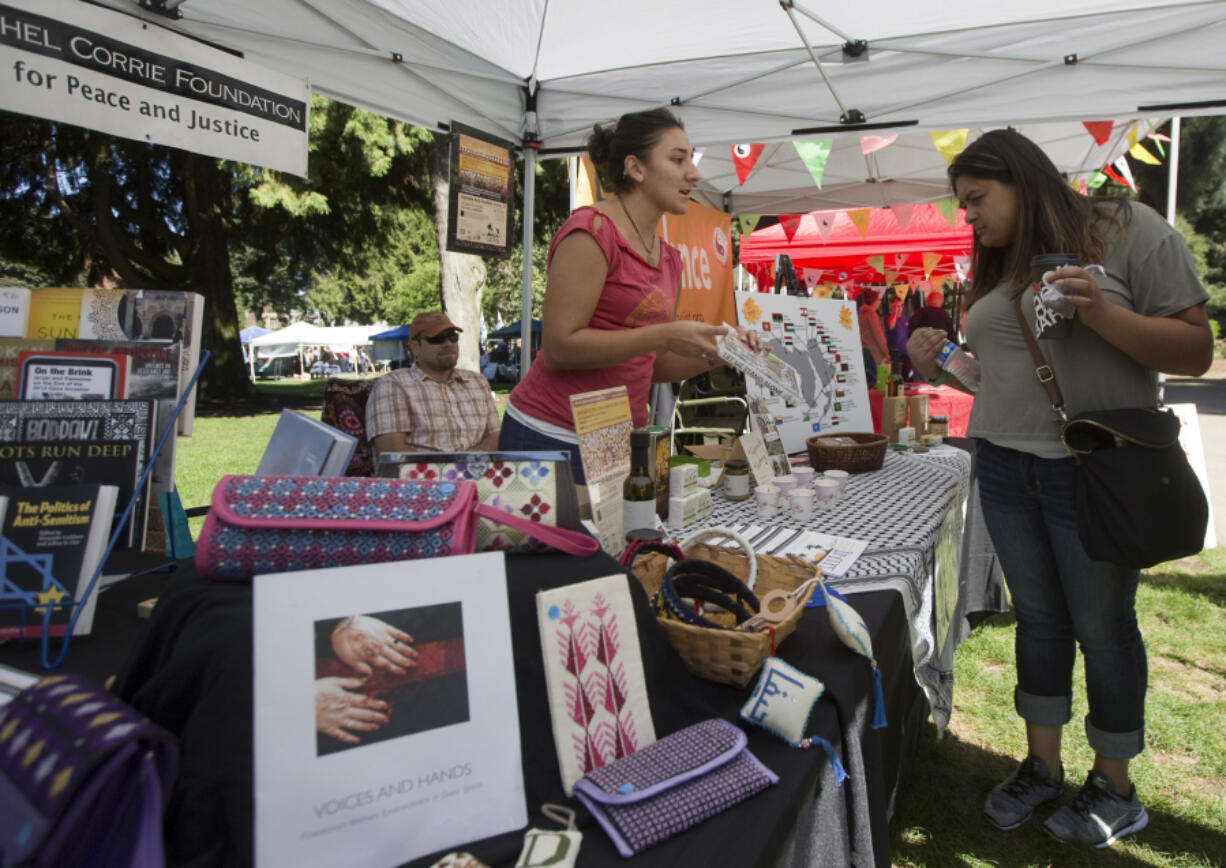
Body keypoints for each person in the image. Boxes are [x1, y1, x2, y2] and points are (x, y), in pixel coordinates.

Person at [907, 128, 1211, 847]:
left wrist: (1100, 310)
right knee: (1039, 623)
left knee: (1104, 630)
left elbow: (1196, 350)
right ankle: (1041, 766)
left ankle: (1115, 784)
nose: (969, 217)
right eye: (963, 205)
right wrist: (945, 363)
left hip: (1093, 470)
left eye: (978, 199)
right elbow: (1005, 379)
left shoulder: (1126, 227)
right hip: (1007, 468)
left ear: (1022, 178)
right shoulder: (996, 260)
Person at [498, 108, 760, 482]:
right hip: (550, 434)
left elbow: (653, 366)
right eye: (677, 159)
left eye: (691, 159)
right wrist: (665, 335)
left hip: (615, 439)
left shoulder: (669, 258)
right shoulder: (591, 233)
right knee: (563, 544)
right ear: (636, 168)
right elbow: (558, 349)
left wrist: (726, 354)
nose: (694, 173)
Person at [366, 311, 500, 455]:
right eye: (437, 339)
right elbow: (393, 453)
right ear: (414, 347)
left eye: (452, 337)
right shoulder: (393, 385)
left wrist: (465, 464)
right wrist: (451, 469)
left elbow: (496, 436)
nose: (448, 344)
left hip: (477, 472)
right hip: (419, 476)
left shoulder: (477, 382)